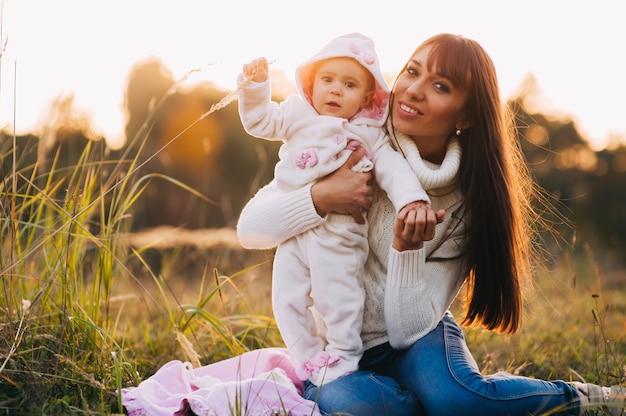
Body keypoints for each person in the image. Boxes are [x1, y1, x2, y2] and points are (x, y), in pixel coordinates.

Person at [237, 33, 625, 415]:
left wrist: (407, 251)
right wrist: (321, 197)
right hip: (340, 346)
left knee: (458, 400)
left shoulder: (465, 204)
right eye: (411, 71)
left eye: (440, 85)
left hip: (419, 336)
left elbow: (410, 331)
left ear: (467, 114)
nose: (414, 90)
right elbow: (251, 230)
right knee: (361, 407)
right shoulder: (348, 141)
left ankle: (581, 397)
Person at [236, 32, 438, 388]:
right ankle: (309, 359)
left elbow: (393, 169)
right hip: (294, 230)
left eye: (349, 84)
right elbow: (261, 121)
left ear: (366, 97)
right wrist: (256, 87)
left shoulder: (369, 133)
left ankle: (343, 358)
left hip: (339, 237)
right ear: (311, 84)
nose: (335, 90)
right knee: (286, 298)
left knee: (340, 299)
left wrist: (413, 199)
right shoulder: (296, 113)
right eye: (327, 80)